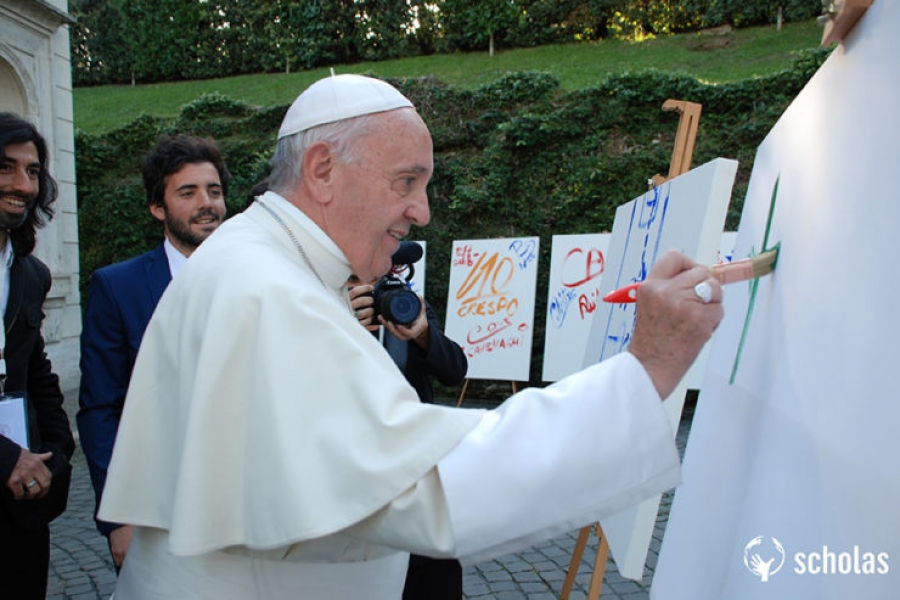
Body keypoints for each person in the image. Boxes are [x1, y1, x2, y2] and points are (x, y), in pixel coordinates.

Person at [99, 74, 724, 599]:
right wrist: (647, 369)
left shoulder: (255, 257)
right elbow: (425, 481)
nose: (422, 211)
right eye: (406, 181)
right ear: (322, 170)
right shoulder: (268, 290)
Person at [77, 134, 230, 571]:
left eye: (214, 191)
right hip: (157, 507)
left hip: (242, 499)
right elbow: (100, 409)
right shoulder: (117, 287)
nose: (207, 203)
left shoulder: (260, 279)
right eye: (188, 192)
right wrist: (118, 517)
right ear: (157, 207)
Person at [348, 246, 468, 599]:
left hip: (415, 473)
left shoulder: (399, 299)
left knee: (434, 577)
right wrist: (340, 317)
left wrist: (422, 333)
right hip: (355, 472)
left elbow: (454, 370)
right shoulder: (322, 300)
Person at [0, 112, 76, 599]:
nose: (23, 185)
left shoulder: (30, 275)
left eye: (32, 172)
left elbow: (35, 373)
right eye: (6, 168)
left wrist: (59, 456)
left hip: (18, 508)